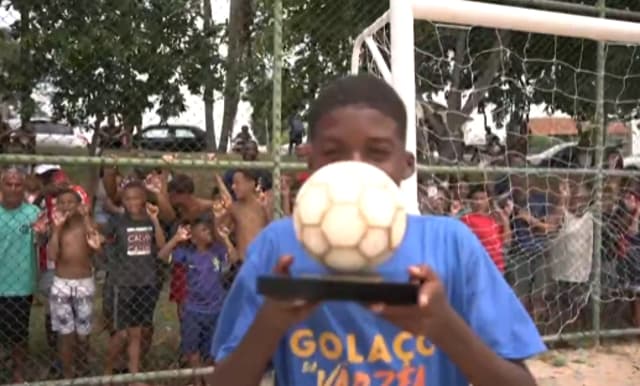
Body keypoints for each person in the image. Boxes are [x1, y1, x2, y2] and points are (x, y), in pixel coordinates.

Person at [209, 75, 545, 386]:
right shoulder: (277, 246)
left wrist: (445, 328)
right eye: (333, 153)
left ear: (407, 165)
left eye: (378, 153)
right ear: (309, 162)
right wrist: (270, 323)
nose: (355, 167)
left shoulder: (451, 244)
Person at [158, 216, 236, 385]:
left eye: (209, 229)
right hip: (193, 310)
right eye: (204, 230)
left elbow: (235, 259)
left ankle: (207, 378)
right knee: (192, 349)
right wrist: (176, 239)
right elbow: (163, 256)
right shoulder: (187, 254)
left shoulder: (218, 250)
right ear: (193, 238)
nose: (209, 232)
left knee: (210, 350)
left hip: (215, 309)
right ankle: (197, 379)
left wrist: (226, 239)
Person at [102, 181, 166, 383]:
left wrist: (155, 221)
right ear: (122, 200)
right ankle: (108, 371)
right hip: (123, 284)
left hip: (145, 282)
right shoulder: (117, 221)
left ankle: (134, 375)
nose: (132, 202)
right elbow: (104, 242)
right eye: (127, 198)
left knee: (136, 333)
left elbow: (162, 246)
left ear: (144, 199)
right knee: (121, 333)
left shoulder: (150, 220)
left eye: (136, 197)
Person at [47, 188, 102, 378]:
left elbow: (95, 245)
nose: (66, 206)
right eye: (62, 202)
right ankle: (68, 373)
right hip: (62, 283)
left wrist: (86, 218)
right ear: (57, 206)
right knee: (65, 333)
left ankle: (82, 366)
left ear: (80, 205)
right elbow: (52, 255)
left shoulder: (86, 224)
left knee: (83, 333)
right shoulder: (56, 227)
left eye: (71, 202)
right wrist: (57, 229)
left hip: (84, 283)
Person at [0, 167, 41, 383]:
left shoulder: (33, 213)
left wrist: (44, 234)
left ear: (23, 187)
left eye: (18, 185)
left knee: (18, 333)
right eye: (9, 184)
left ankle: (18, 373)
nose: (13, 189)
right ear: (1, 186)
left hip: (21, 284)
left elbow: (42, 243)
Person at [460, 183, 511, 273]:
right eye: (476, 199)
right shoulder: (466, 219)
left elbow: (507, 243)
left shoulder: (494, 221)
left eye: (482, 198)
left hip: (497, 267)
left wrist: (505, 219)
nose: (479, 202)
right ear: (470, 202)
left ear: (488, 201)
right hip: (478, 267)